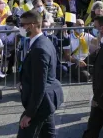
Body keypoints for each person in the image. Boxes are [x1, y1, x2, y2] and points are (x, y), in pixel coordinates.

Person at [17, 10, 64, 138]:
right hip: (45, 102)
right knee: (48, 135)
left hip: (41, 103)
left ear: (31, 25)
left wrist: (29, 114)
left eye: (22, 25)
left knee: (25, 133)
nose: (20, 28)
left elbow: (39, 85)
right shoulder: (43, 42)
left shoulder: (39, 49)